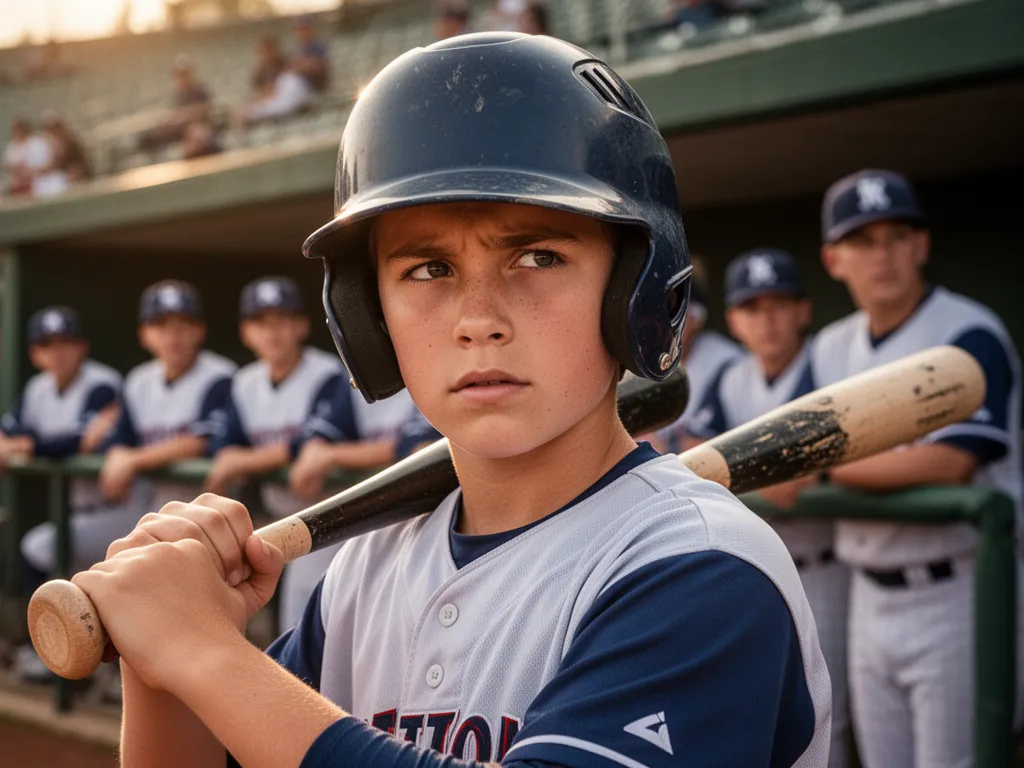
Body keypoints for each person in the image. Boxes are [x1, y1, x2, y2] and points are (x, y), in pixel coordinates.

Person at [71, 33, 831, 767]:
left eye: (538, 256)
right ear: (369, 319)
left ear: (635, 287)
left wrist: (205, 655)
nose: (478, 322)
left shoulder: (701, 567)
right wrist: (158, 652)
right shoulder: (362, 574)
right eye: (428, 269)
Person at [810, 169, 1022, 768]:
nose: (883, 256)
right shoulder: (829, 347)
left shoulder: (968, 331)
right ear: (833, 259)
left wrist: (826, 469)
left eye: (896, 236)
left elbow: (953, 463)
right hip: (867, 596)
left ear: (921, 246)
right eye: (862, 241)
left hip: (959, 591)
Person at [688, 249, 851, 767]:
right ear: (734, 321)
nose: (768, 320)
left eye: (780, 305)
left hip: (828, 567)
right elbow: (693, 458)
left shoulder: (827, 367)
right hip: (758, 575)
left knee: (836, 723)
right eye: (753, 308)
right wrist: (779, 471)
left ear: (804, 311)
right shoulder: (732, 378)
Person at [204, 276, 346, 631]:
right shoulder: (244, 382)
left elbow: (313, 440)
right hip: (276, 514)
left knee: (309, 617)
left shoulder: (327, 372)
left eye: (282, 320)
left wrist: (246, 461)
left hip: (329, 517)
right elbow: (224, 445)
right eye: (261, 322)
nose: (272, 332)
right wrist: (239, 457)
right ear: (245, 333)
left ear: (302, 325)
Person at [3, 307, 121, 681]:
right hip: (77, 511)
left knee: (41, 548)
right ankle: (65, 662)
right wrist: (25, 444)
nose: (58, 353)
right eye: (48, 345)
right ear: (36, 354)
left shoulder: (102, 383)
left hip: (118, 508)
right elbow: (8, 433)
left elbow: (81, 441)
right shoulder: (38, 388)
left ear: (82, 347)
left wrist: (27, 445)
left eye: (66, 343)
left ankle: (52, 656)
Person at [98, 279, 236, 516]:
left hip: (216, 508)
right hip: (156, 505)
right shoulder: (138, 380)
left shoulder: (221, 375)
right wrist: (117, 454)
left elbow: (202, 441)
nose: (173, 337)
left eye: (183, 326)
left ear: (200, 331)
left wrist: (133, 460)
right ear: (144, 335)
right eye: (161, 326)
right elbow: (120, 440)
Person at [647, 264, 741, 453]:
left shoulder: (726, 359)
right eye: (658, 312)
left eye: (676, 312)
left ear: (697, 320)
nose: (665, 322)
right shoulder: (640, 361)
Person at [137, 56, 212, 152]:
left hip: (193, 129)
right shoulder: (178, 95)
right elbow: (174, 114)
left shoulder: (200, 92)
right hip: (178, 129)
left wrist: (182, 117)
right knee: (148, 136)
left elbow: (203, 112)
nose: (181, 77)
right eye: (179, 74)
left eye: (184, 74)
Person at [289, 15, 329, 93]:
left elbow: (318, 66)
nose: (301, 32)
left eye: (304, 28)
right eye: (299, 29)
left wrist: (300, 67)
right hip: (301, 87)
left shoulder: (318, 46)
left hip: (315, 87)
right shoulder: (298, 48)